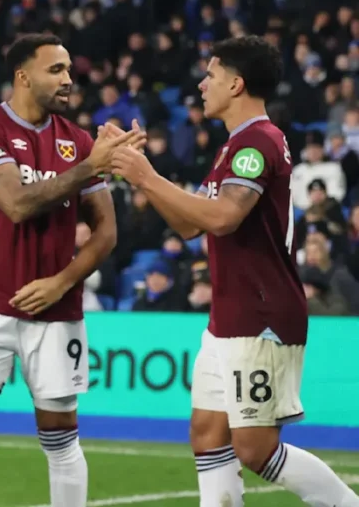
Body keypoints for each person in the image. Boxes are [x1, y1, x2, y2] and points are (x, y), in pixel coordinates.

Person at [108, 35, 359, 507]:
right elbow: (190, 223)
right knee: (207, 433)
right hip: (229, 316)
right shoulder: (235, 146)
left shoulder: (258, 142)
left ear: (237, 84)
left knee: (256, 449)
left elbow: (224, 217)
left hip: (260, 316)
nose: (202, 85)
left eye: (211, 75)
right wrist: (140, 172)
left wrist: (145, 176)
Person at [0, 33, 143, 507]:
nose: (68, 80)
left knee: (61, 439)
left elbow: (106, 232)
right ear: (23, 76)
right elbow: (16, 203)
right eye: (56, 70)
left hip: (57, 312)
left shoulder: (78, 141)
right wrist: (90, 167)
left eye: (69, 70)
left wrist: (62, 282)